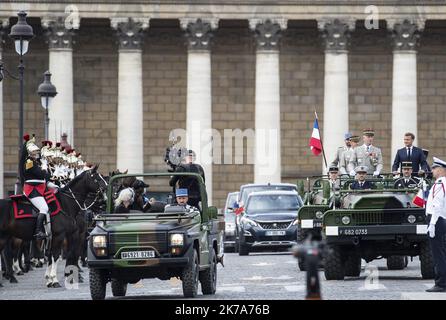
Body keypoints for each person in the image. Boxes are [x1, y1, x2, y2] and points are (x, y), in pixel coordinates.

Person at [19, 135, 58, 239]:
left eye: (36, 151)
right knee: (44, 208)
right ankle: (38, 231)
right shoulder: (29, 162)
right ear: (30, 152)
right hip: (32, 189)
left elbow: (42, 177)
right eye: (34, 152)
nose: (36, 153)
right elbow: (39, 174)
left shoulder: (35, 162)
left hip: (39, 188)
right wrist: (45, 170)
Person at [425, 157, 446, 292]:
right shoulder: (441, 182)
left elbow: (437, 205)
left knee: (438, 253)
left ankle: (441, 283)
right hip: (439, 220)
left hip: (437, 220)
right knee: (441, 251)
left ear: (441, 169)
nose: (432, 170)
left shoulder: (440, 182)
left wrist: (432, 224)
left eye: (434, 168)